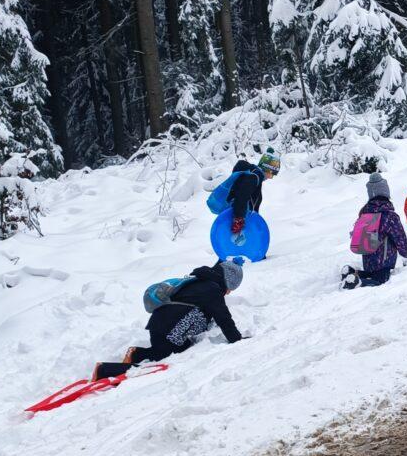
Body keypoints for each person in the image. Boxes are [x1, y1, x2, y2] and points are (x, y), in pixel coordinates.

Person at [93, 259, 243, 381]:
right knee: (167, 363)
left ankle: (136, 354)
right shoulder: (212, 290)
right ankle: (103, 370)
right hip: (170, 330)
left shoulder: (199, 282)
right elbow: (224, 318)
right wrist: (237, 340)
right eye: (232, 287)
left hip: (161, 325)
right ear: (227, 280)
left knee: (168, 352)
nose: (229, 292)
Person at [341, 172, 407, 290]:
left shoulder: (364, 213)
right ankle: (357, 282)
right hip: (384, 262)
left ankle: (351, 273)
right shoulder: (389, 215)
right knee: (380, 280)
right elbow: (399, 237)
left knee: (372, 274)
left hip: (367, 259)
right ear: (386, 192)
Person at [210, 150, 281, 235]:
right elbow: (242, 196)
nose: (271, 177)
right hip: (237, 218)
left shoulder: (254, 174)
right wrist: (239, 219)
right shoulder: (255, 177)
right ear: (267, 168)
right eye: (272, 173)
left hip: (238, 215)